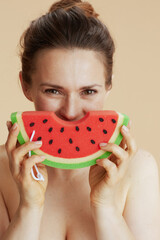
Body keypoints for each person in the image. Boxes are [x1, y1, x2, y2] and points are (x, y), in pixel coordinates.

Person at [0, 0, 160, 239]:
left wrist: (105, 207)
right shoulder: (1, 170)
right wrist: (29, 208)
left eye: (88, 91)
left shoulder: (139, 169)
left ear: (108, 86)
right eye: (53, 91)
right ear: (26, 86)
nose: (71, 111)